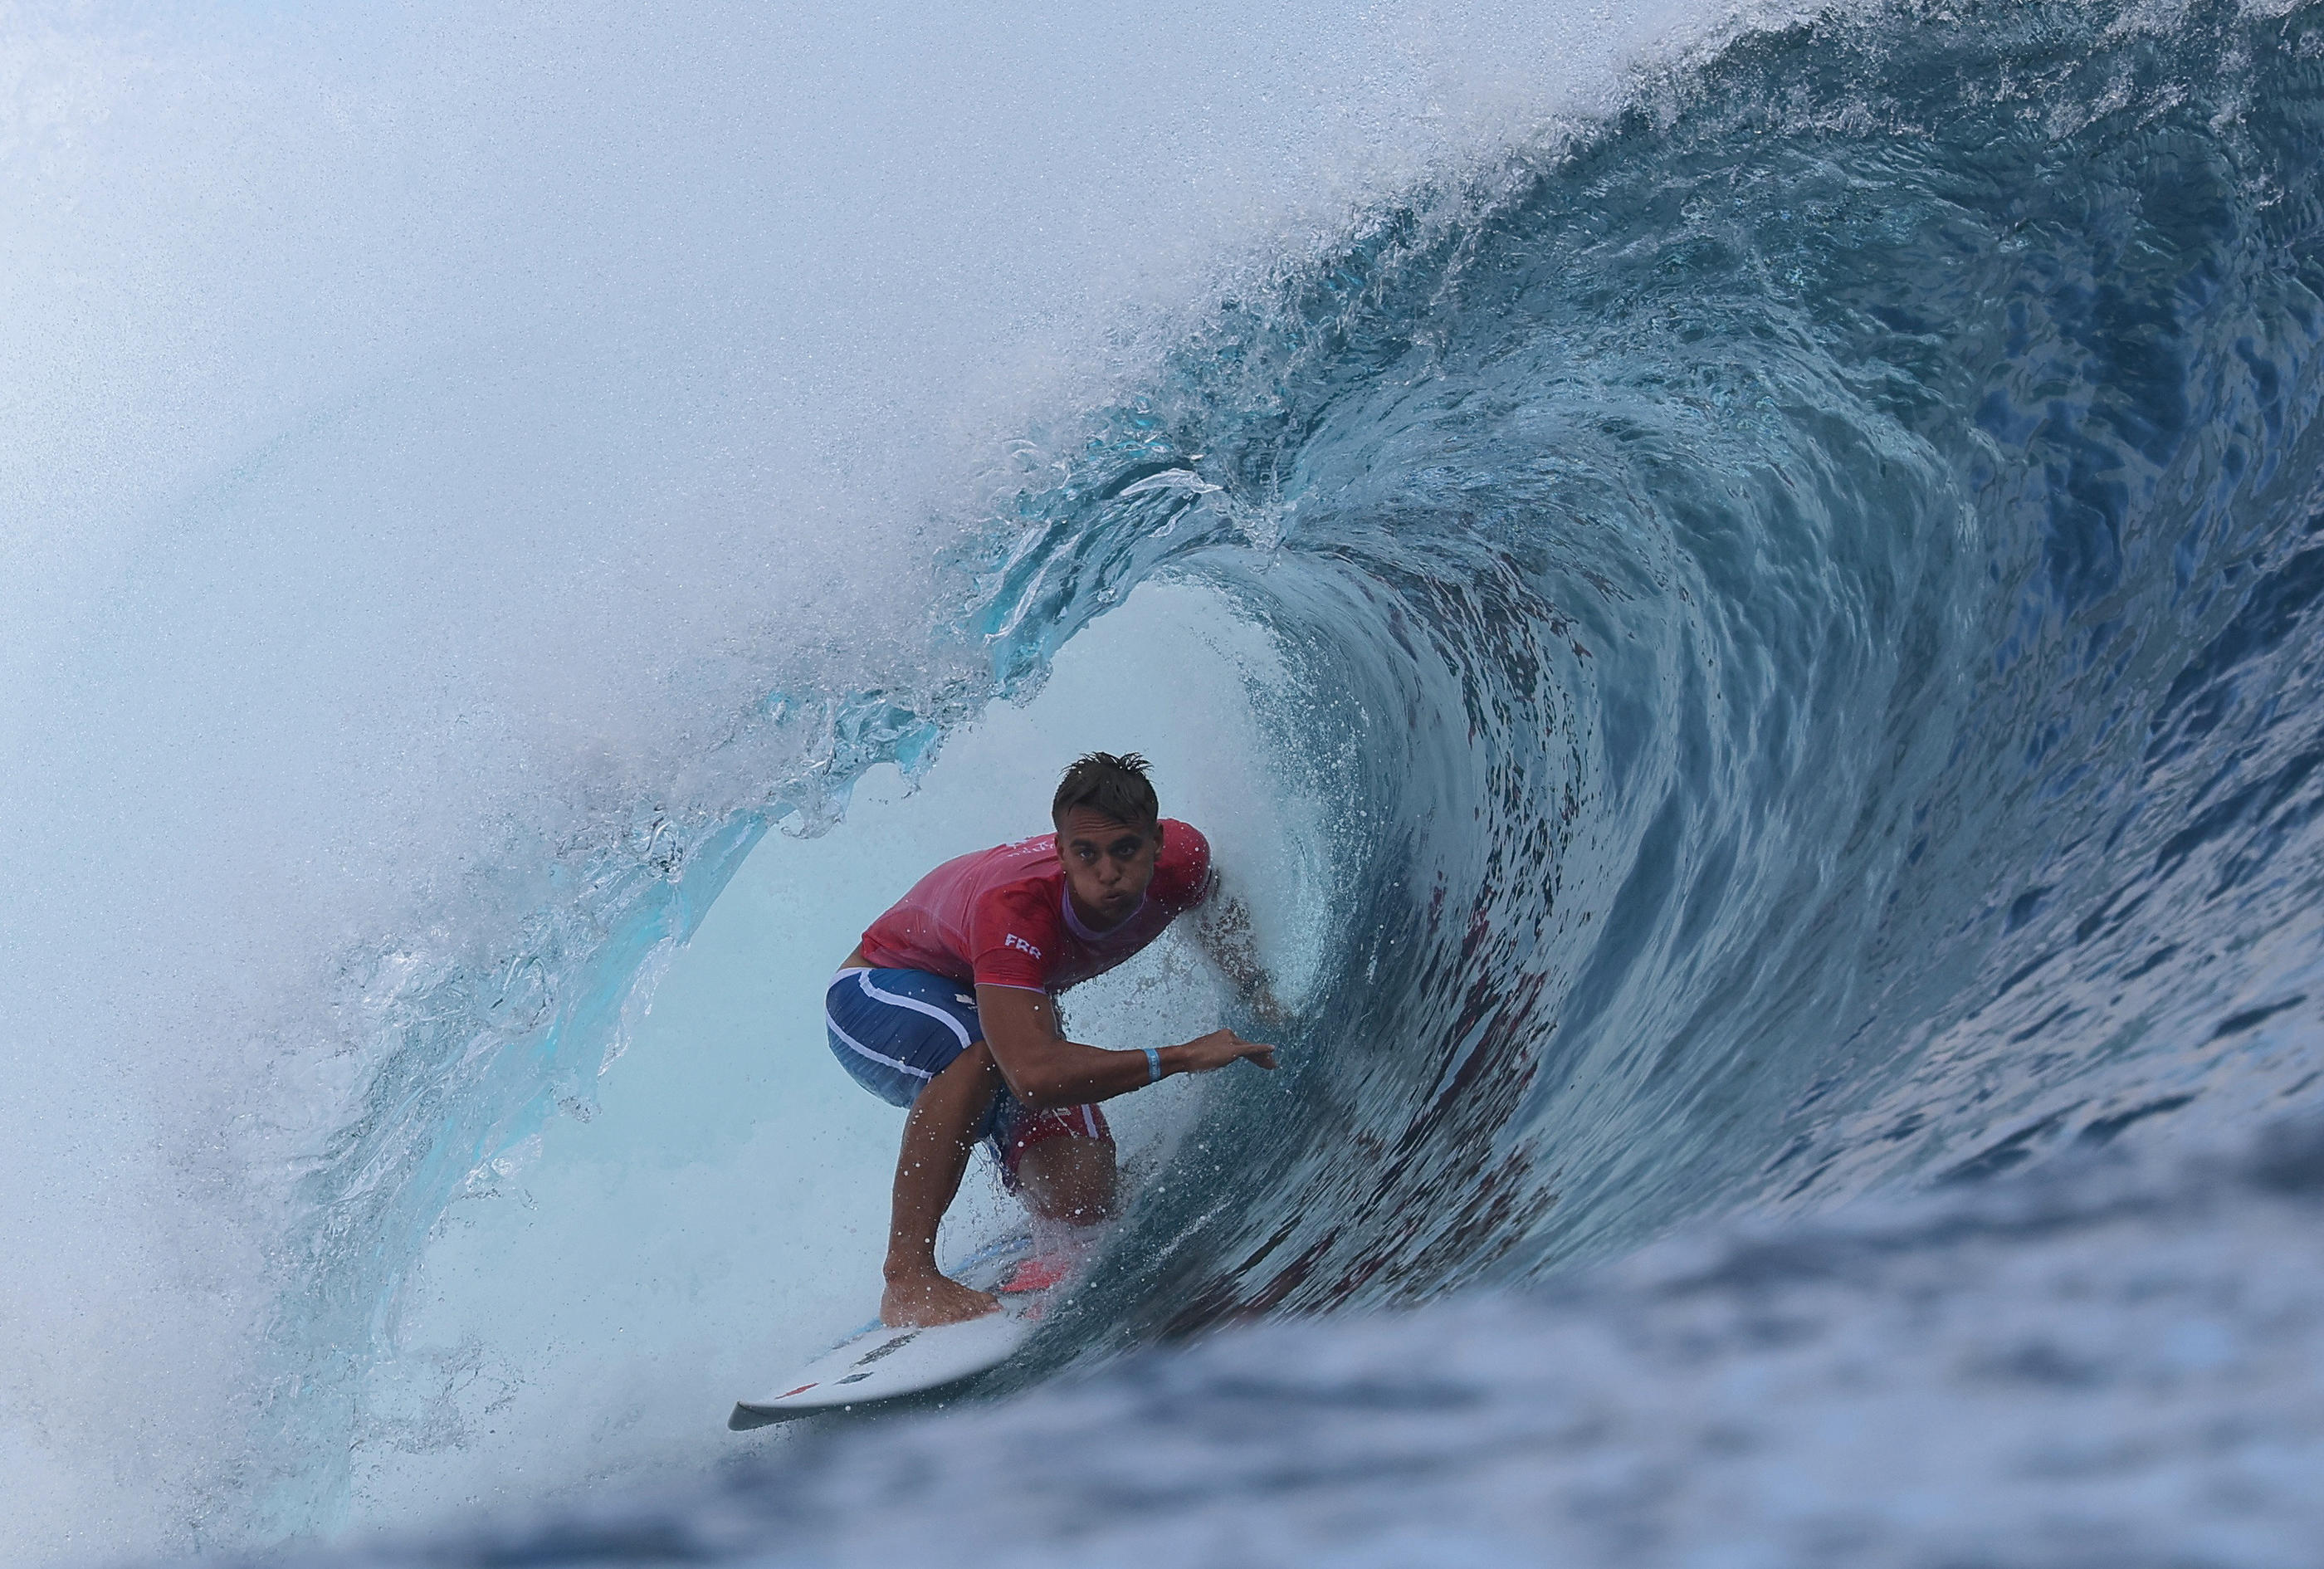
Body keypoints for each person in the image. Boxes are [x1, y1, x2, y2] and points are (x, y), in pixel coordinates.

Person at [826, 751, 1281, 1327]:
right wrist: (1185, 1056)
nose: (1107, 873)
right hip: (880, 991)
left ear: (1158, 842)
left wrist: (1261, 996)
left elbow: (1212, 901)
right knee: (989, 1053)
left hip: (1001, 1005)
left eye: (1126, 851)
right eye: (1086, 855)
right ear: (1061, 852)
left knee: (1084, 1199)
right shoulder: (1014, 908)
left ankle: (1013, 1149)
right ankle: (908, 1276)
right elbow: (1035, 1077)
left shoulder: (1185, 860)